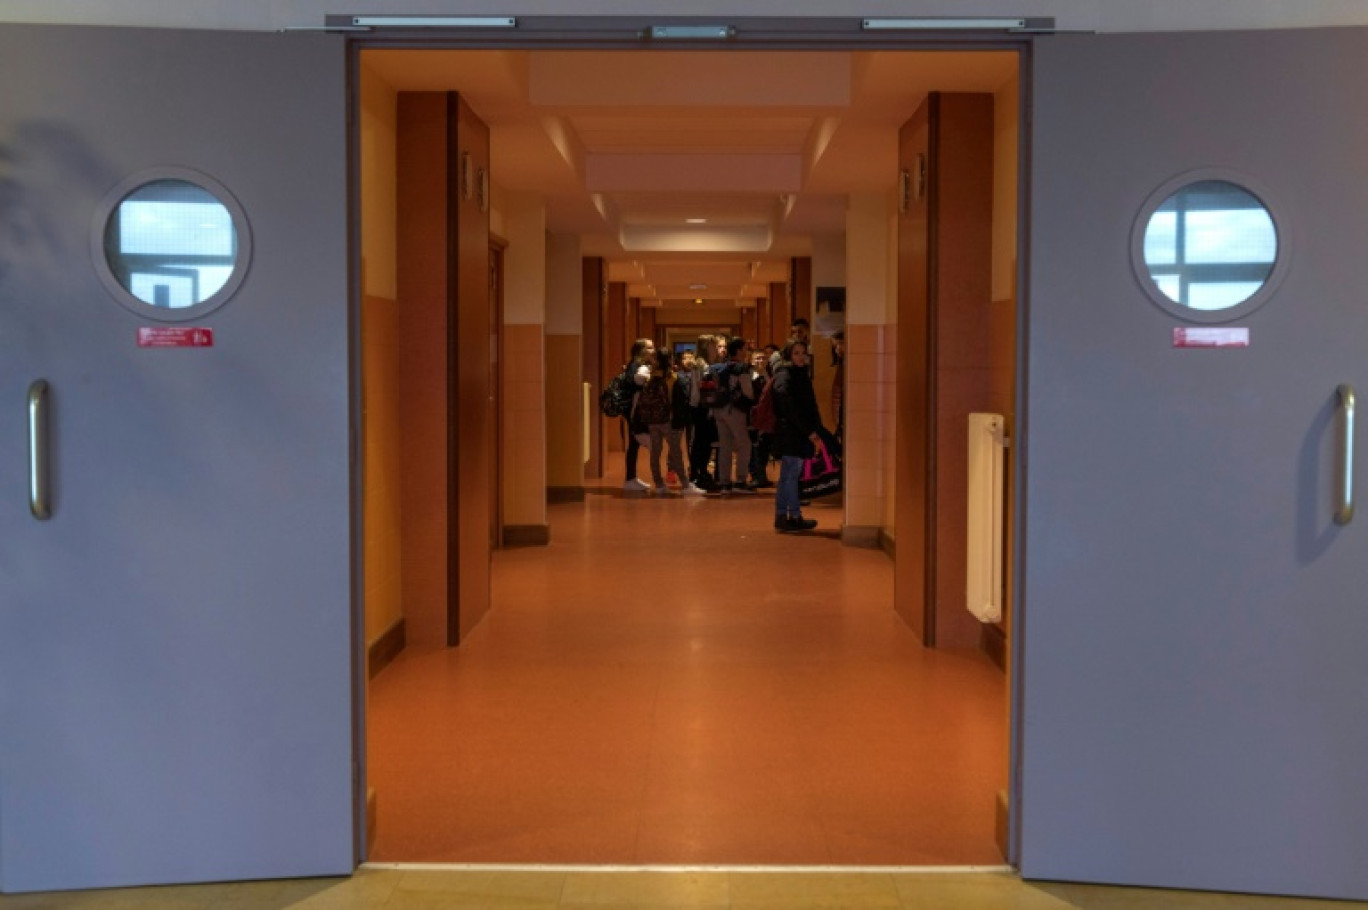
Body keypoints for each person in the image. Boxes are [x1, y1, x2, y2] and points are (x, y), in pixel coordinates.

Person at [769, 339, 824, 531]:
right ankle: (794, 516)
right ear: (788, 355)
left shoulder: (798, 375)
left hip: (794, 432)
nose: (801, 357)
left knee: (788, 476)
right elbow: (791, 408)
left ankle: (783, 515)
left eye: (803, 353)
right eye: (796, 353)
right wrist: (809, 431)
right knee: (791, 476)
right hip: (792, 433)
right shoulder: (786, 375)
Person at [639, 349, 700, 495]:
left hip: (653, 420)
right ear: (670, 360)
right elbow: (677, 401)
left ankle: (659, 484)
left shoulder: (650, 377)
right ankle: (685, 484)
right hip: (668, 420)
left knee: (655, 452)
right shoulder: (672, 378)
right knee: (676, 452)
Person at [708, 337, 756, 496]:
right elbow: (747, 391)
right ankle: (741, 481)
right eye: (745, 349)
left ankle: (725, 483)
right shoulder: (741, 368)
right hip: (734, 410)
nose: (746, 352)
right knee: (745, 444)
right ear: (739, 350)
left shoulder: (719, 367)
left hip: (718, 409)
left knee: (725, 446)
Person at [686, 333, 720, 492]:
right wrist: (705, 409)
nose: (716, 349)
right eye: (713, 345)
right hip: (703, 408)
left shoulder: (701, 364)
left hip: (699, 407)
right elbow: (700, 391)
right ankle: (699, 474)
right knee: (702, 443)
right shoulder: (703, 366)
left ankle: (698, 473)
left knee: (702, 443)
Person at [621, 337, 654, 492]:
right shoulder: (636, 366)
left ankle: (631, 478)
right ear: (641, 350)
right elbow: (637, 384)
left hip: (633, 410)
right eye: (649, 348)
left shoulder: (635, 365)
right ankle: (630, 478)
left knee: (634, 445)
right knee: (637, 443)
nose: (652, 351)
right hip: (635, 410)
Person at [747, 348, 773, 488]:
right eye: (757, 358)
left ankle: (762, 475)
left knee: (764, 447)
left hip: (767, 418)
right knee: (754, 447)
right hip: (753, 417)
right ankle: (755, 476)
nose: (761, 361)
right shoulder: (748, 377)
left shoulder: (771, 376)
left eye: (763, 358)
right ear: (751, 361)